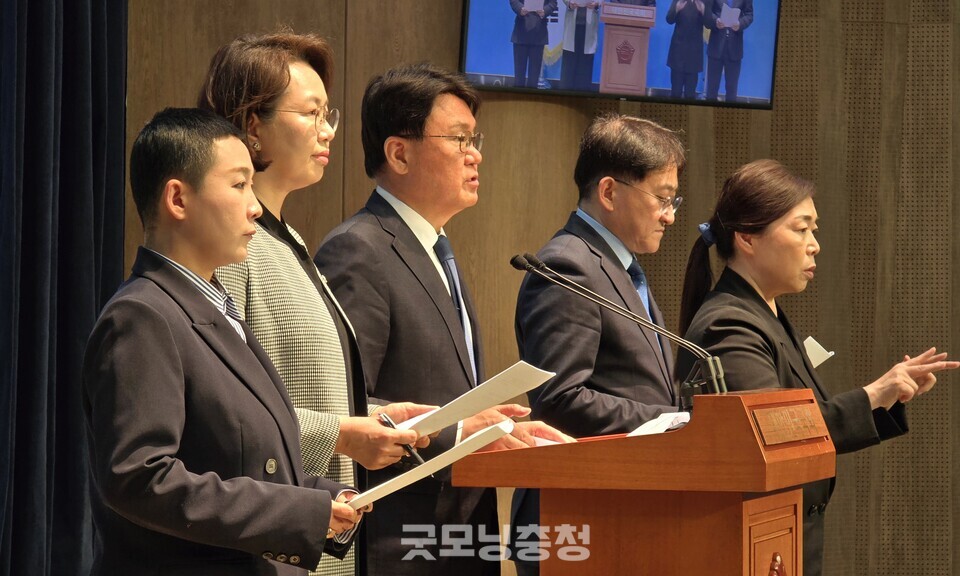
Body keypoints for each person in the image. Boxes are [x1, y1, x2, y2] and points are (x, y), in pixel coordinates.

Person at [82, 107, 365, 576]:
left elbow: (253, 458)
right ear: (178, 198)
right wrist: (296, 512)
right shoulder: (142, 316)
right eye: (238, 185)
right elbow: (140, 478)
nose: (254, 206)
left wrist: (323, 498)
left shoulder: (215, 306)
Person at [315, 63, 573, 576]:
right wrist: (459, 433)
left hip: (457, 536)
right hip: (400, 540)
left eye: (474, 139)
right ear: (399, 152)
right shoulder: (358, 251)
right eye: (458, 139)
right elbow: (342, 405)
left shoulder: (436, 248)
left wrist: (497, 430)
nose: (474, 153)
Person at [197, 32, 433, 576]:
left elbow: (298, 390)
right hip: (271, 550)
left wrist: (376, 416)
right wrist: (348, 433)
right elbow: (224, 414)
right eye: (311, 113)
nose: (329, 131)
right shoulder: (234, 246)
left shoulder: (289, 240)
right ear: (252, 126)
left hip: (321, 543)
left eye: (331, 114)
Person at [674, 159, 959, 576]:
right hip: (751, 540)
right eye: (800, 228)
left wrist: (887, 396)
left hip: (781, 535)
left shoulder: (761, 311)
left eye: (815, 230)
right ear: (748, 238)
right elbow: (773, 432)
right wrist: (873, 395)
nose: (814, 245)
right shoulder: (728, 321)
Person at [509, 114, 685, 576]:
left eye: (674, 200)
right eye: (663, 199)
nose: (670, 215)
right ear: (609, 192)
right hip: (579, 514)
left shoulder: (621, 268)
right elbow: (560, 399)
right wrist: (675, 422)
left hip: (621, 508)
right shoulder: (570, 267)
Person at [704, 0, 753, 102]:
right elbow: (708, 12)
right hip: (716, 46)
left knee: (732, 90)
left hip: (735, 48)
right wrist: (715, 20)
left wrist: (740, 23)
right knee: (711, 89)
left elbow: (749, 15)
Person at [510, 0, 558, 89]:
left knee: (534, 76)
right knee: (519, 76)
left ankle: (532, 101)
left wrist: (544, 11)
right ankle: (517, 100)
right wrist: (520, 8)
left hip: (539, 33)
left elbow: (553, 3)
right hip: (521, 31)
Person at [666, 0, 706, 99]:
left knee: (690, 94)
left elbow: (709, 24)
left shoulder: (703, 2)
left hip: (694, 54)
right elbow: (669, 19)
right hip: (678, 53)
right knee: (676, 92)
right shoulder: (679, 1)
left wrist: (703, 12)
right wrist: (676, 9)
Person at [559, 1, 600, 91]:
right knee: (568, 70)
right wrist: (569, 3)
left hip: (589, 27)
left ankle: (582, 97)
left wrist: (597, 3)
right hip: (572, 26)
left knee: (584, 70)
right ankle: (564, 98)